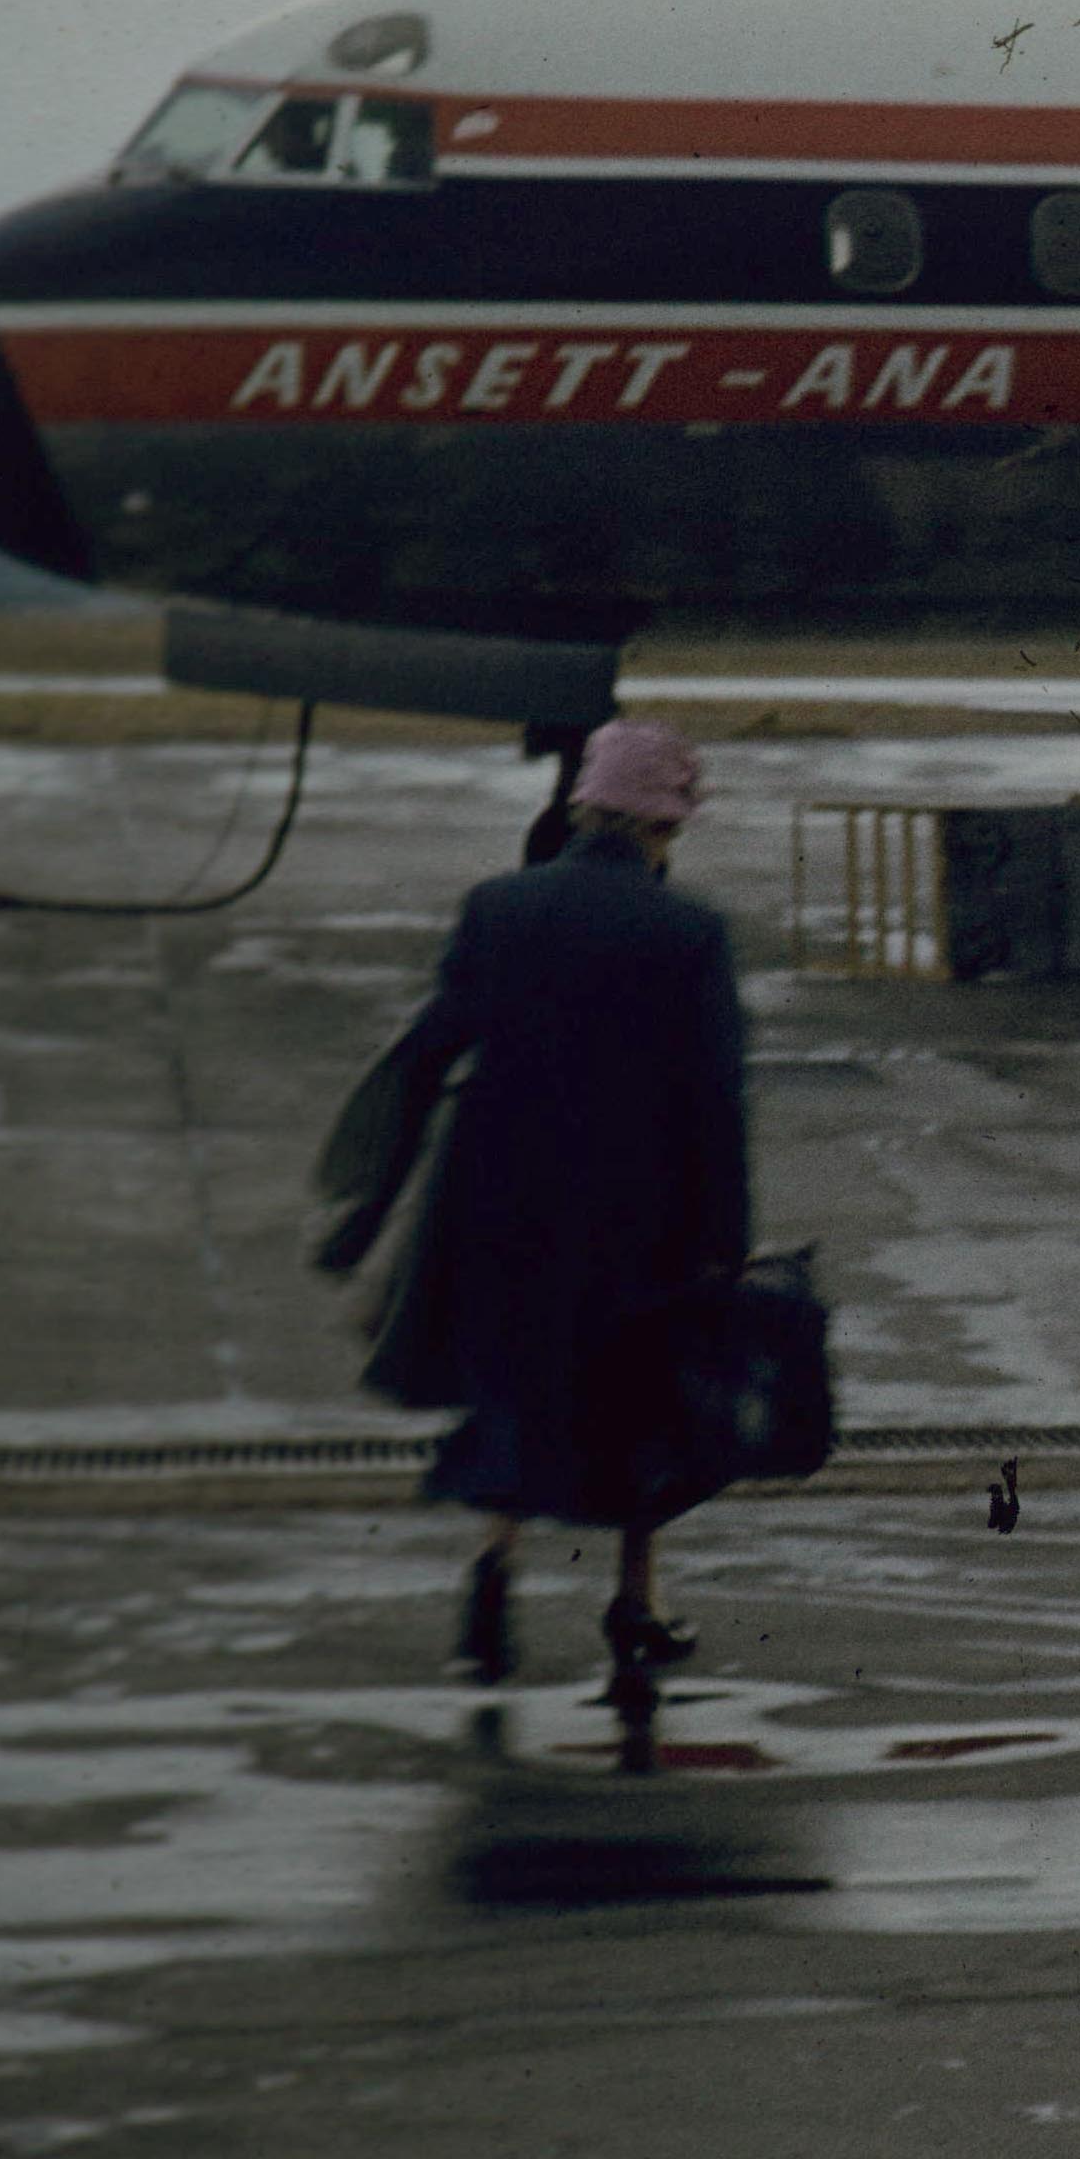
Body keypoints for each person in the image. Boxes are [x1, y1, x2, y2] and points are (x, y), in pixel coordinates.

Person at [350, 718, 748, 1687]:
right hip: (636, 1219)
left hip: (502, 1211)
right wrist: (723, 1241)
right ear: (665, 828)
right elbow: (714, 1101)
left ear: (582, 810)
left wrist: (374, 1192)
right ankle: (636, 1605)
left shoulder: (498, 908)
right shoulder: (691, 933)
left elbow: (437, 1041)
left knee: (517, 1398)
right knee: (645, 1407)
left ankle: (488, 1592)